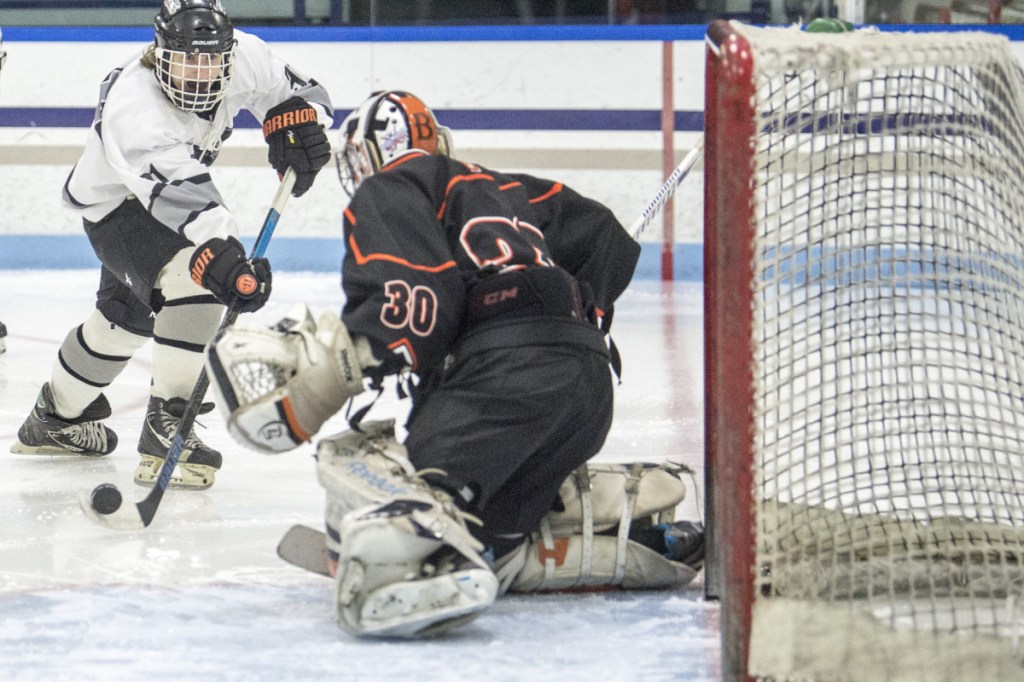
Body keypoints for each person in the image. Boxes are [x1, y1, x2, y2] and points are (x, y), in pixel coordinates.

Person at [205, 90, 703, 637]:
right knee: (491, 543)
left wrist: (345, 363)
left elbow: (417, 296)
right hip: (585, 385)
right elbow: (603, 233)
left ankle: (411, 547)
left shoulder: (391, 185)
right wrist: (582, 312)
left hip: (501, 381)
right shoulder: (503, 186)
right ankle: (652, 543)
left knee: (389, 475)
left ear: (373, 150)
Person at [9, 0, 333, 492]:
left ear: (228, 52)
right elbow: (191, 205)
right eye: (185, 59)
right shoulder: (136, 108)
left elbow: (300, 92)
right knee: (202, 275)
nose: (200, 73)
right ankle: (168, 428)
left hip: (156, 202)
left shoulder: (246, 55)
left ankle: (53, 419)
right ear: (158, 54)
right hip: (119, 208)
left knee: (120, 326)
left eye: (210, 60)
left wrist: (296, 121)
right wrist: (224, 257)